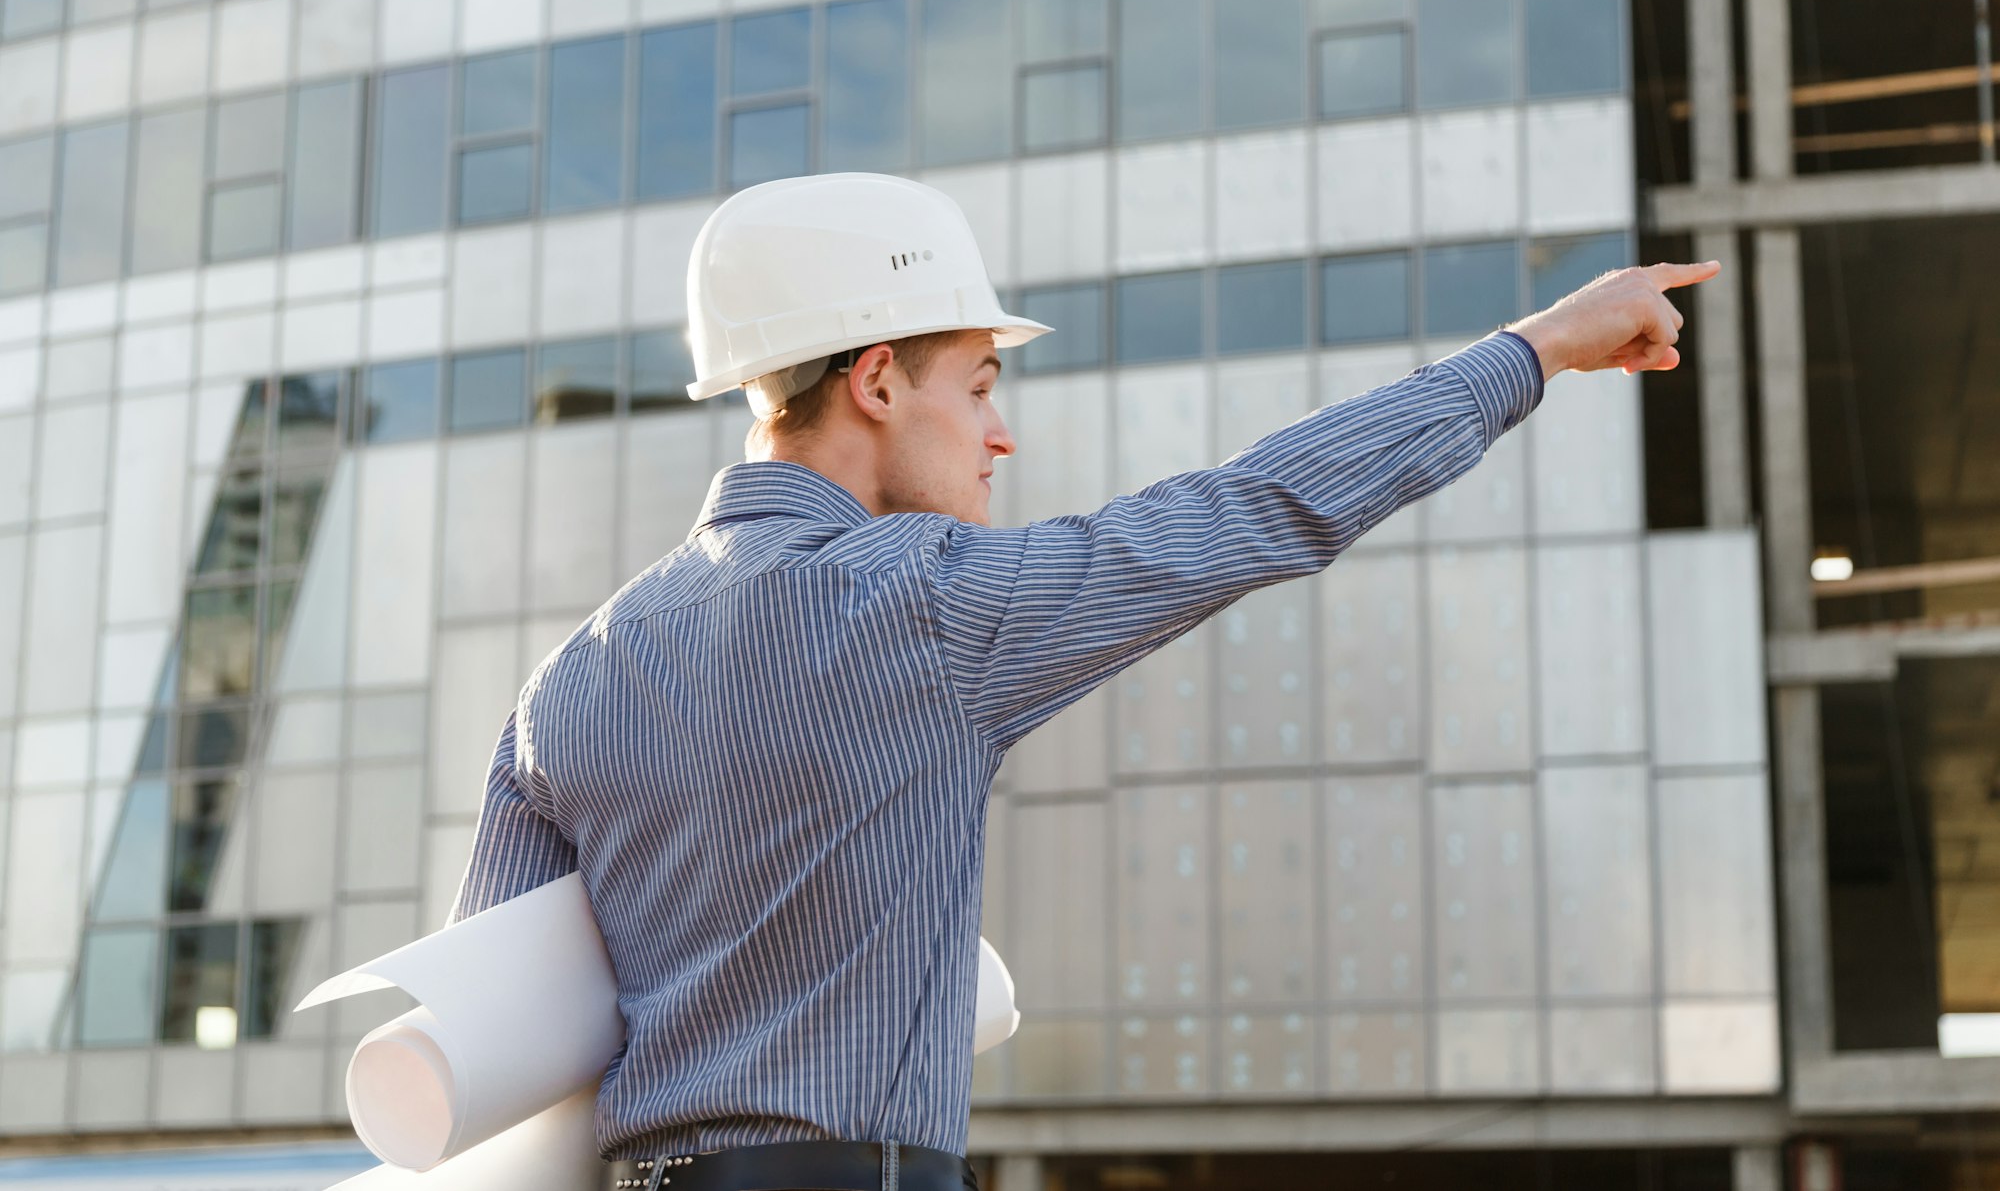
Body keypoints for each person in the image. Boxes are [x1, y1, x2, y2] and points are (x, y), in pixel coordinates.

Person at [448, 173, 1718, 1191]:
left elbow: (491, 1037)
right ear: (876, 378)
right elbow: (1253, 508)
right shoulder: (919, 600)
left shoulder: (563, 686)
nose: (1001, 433)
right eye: (980, 384)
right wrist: (1538, 346)